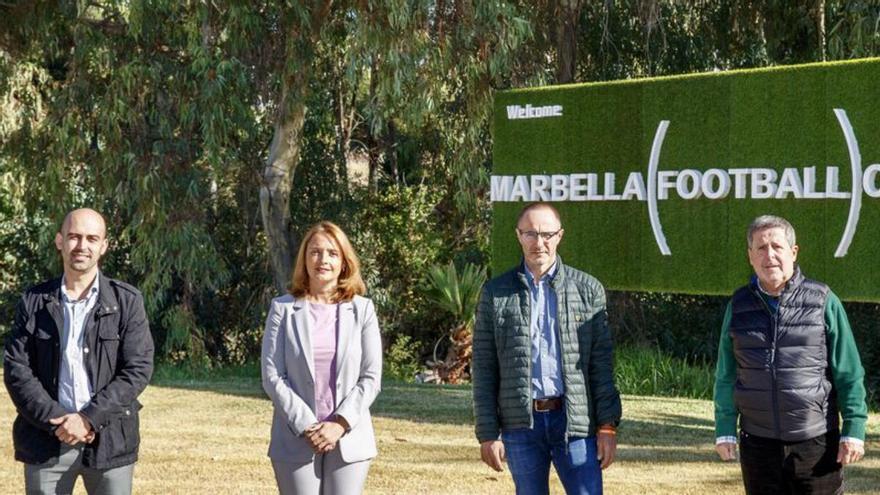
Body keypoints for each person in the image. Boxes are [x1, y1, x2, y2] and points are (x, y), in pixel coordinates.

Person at [472, 202, 622, 495]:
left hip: (575, 423)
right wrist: (487, 433)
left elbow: (601, 366)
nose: (538, 243)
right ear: (518, 236)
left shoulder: (588, 290)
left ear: (560, 236)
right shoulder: (496, 293)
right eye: (530, 234)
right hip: (520, 427)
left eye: (547, 234)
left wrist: (607, 426)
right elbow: (484, 368)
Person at [4, 208, 154, 495]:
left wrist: (87, 418)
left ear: (103, 246)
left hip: (110, 441)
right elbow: (17, 369)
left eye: (91, 238)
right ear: (60, 241)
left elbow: (137, 370)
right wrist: (59, 420)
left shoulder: (127, 302)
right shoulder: (34, 302)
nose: (82, 246)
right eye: (73, 237)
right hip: (46, 441)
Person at [714, 214, 868, 494]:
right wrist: (724, 427)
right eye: (760, 248)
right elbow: (727, 375)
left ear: (793, 253)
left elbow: (849, 372)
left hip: (816, 445)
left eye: (777, 246)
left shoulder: (823, 300)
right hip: (758, 447)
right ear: (750, 256)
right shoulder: (738, 305)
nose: (769, 255)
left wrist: (854, 429)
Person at [261, 221, 382, 495]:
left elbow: (371, 377)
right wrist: (307, 425)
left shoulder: (363, 310)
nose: (323, 260)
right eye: (315, 252)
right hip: (295, 437)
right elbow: (272, 375)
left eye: (332, 253)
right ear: (304, 259)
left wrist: (339, 424)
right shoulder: (282, 309)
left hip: (349, 437)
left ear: (344, 262)